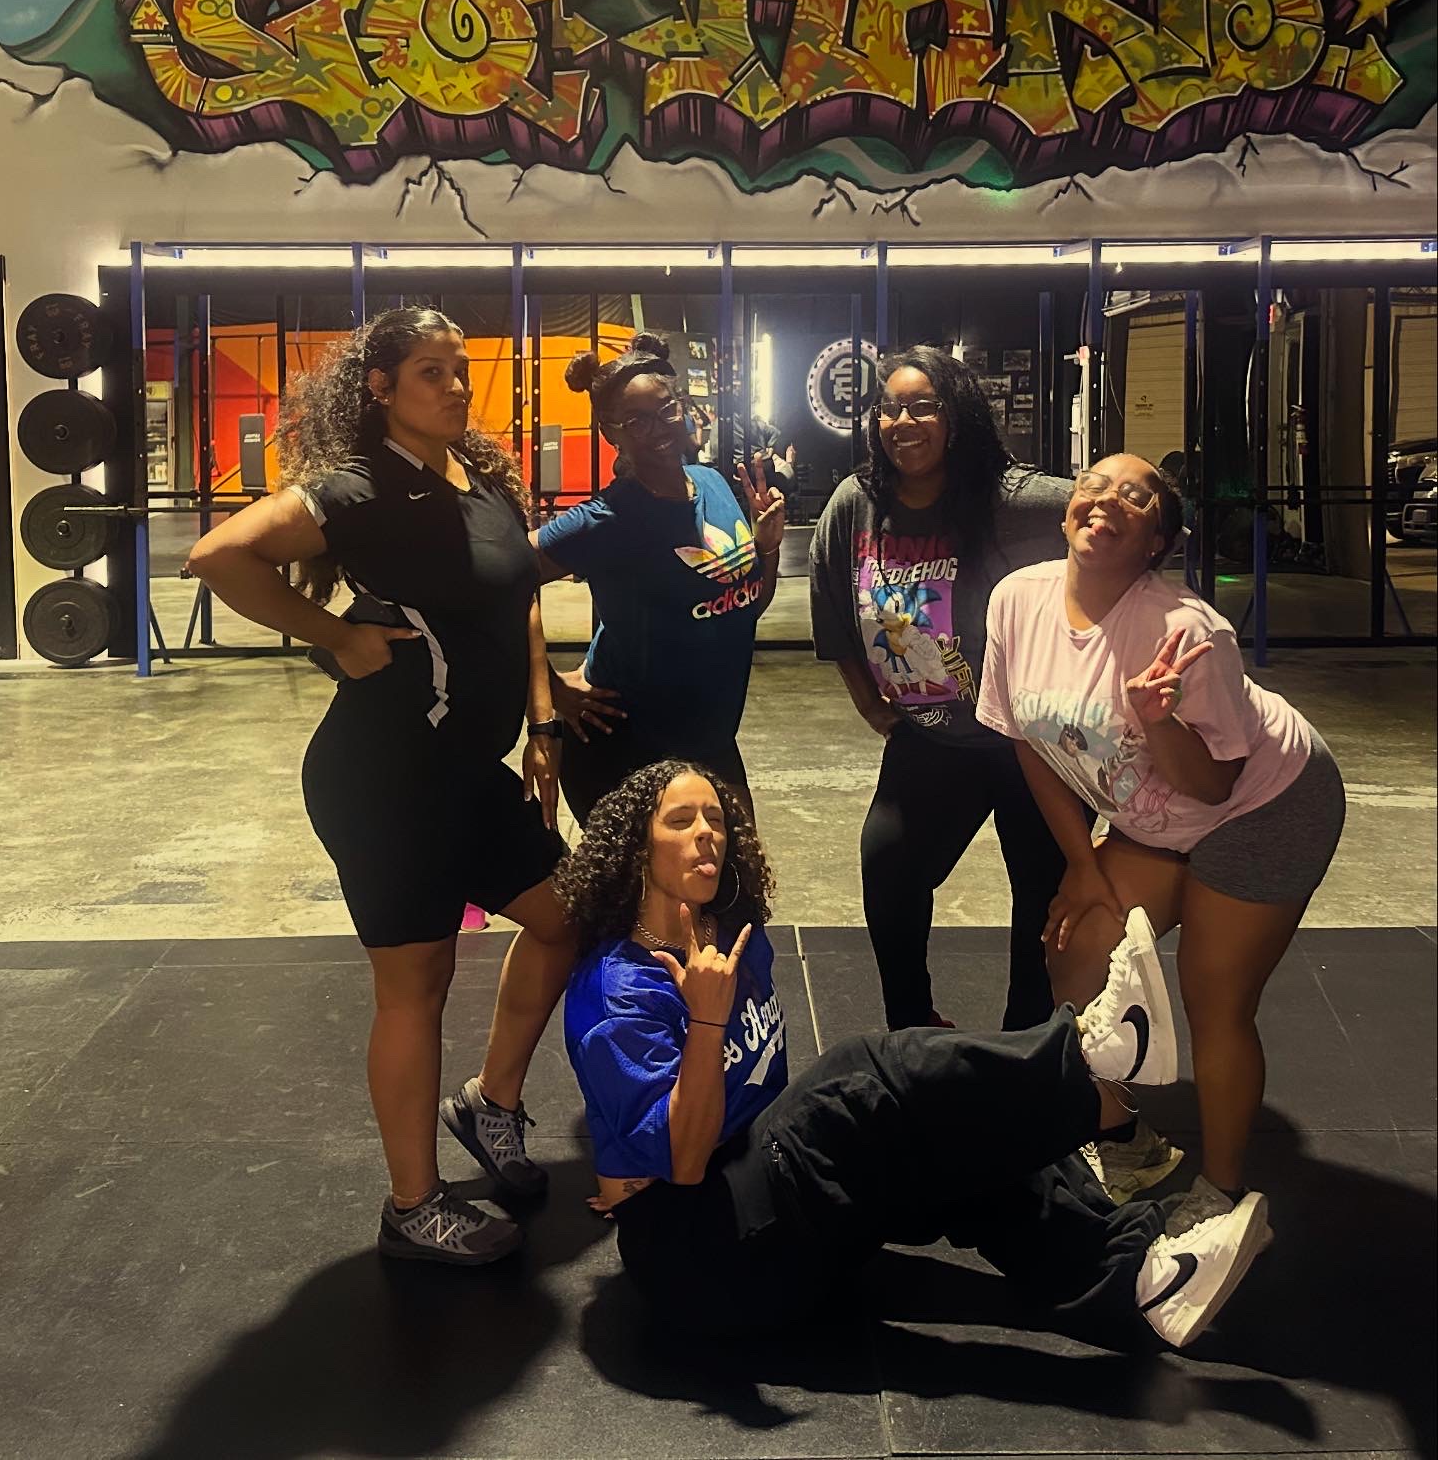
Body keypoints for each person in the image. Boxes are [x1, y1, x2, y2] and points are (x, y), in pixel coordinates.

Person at [556, 759, 1271, 1350]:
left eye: (716, 818)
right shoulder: (617, 993)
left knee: (955, 1139)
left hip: (771, 1214)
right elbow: (683, 1164)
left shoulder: (729, 935)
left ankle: (1143, 1280)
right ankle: (1088, 1057)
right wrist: (708, 1022)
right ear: (637, 847)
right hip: (705, 1264)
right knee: (858, 1076)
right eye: (681, 821)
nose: (707, 834)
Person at [187, 307, 575, 1266]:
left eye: (459, 369)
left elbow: (519, 598)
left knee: (568, 915)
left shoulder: (481, 477)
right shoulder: (357, 484)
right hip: (384, 773)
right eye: (430, 371)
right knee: (416, 984)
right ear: (380, 387)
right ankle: (413, 1206)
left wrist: (542, 720)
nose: (454, 386)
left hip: (467, 770)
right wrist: (335, 636)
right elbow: (220, 556)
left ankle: (489, 1104)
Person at [976, 453, 1346, 1223]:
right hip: (1153, 817)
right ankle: (1121, 1139)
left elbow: (1212, 785)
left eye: (1135, 496)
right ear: (1068, 509)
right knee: (1077, 946)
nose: (1107, 498)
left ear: (1156, 542)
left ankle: (1224, 1195)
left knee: (1214, 995)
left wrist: (1158, 719)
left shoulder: (1187, 629)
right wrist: (1082, 866)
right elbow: (1027, 742)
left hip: (1265, 805)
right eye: (1094, 484)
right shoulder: (1016, 599)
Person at [809, 345, 1071, 1032]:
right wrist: (869, 702)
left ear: (955, 416)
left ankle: (1026, 1044)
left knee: (1043, 896)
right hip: (933, 738)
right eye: (889, 408)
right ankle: (912, 1028)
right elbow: (832, 607)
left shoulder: (1013, 500)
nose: (903, 422)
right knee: (888, 866)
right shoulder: (857, 504)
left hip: (1032, 742)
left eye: (922, 406)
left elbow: (1111, 511)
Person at [533, 332, 785, 824]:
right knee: (647, 879)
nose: (658, 428)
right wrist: (549, 686)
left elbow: (745, 606)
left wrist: (766, 548)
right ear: (611, 433)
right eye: (636, 421)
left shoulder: (713, 483)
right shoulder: (605, 519)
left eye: (666, 409)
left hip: (710, 740)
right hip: (625, 749)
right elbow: (497, 579)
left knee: (737, 870)